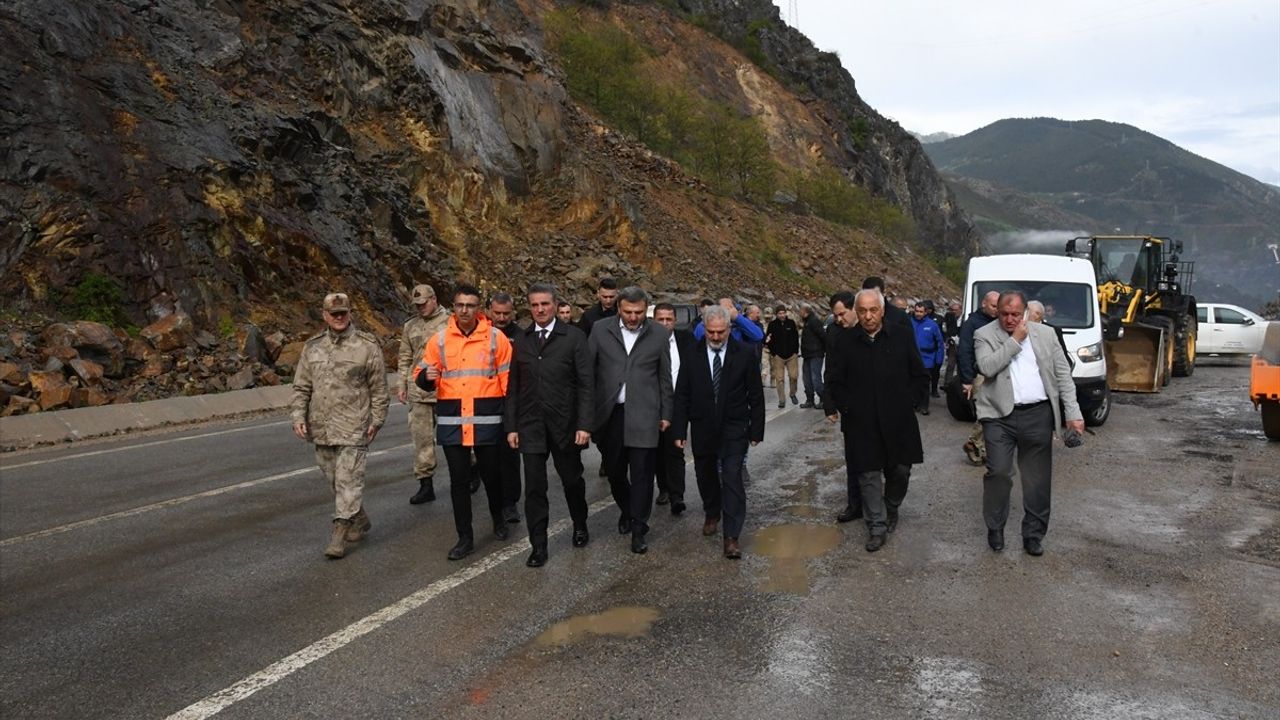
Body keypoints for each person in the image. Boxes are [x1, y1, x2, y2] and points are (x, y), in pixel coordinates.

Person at [974, 291, 1083, 556]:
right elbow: (987, 367)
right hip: (999, 416)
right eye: (1004, 314)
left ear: (1024, 313)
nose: (1010, 319)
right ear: (997, 312)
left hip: (1038, 414)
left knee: (1037, 478)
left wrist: (1073, 412)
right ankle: (995, 527)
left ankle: (1033, 534)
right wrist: (1015, 340)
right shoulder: (984, 334)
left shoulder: (1045, 335)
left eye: (1015, 315)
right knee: (999, 472)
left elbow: (1062, 375)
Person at [414, 284, 513, 561]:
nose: (465, 310)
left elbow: (508, 382)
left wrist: (510, 421)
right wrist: (426, 377)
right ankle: (465, 537)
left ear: (478, 308)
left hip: (488, 420)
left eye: (470, 305)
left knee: (492, 477)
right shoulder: (440, 340)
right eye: (460, 305)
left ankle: (498, 519)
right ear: (454, 307)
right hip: (452, 421)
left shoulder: (496, 339)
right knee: (459, 481)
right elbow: (421, 374)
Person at [823, 289, 926, 552]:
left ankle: (890, 506)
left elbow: (917, 372)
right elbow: (835, 379)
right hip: (862, 421)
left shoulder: (901, 335)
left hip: (898, 418)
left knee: (900, 469)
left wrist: (909, 401)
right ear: (856, 312)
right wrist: (848, 407)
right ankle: (876, 526)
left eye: (873, 310)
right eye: (862, 311)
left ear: (882, 310)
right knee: (867, 473)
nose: (868, 316)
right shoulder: (845, 341)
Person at [291, 292, 389, 559]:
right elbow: (302, 386)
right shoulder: (312, 347)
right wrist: (298, 416)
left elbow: (379, 388)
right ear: (324, 316)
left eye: (343, 313)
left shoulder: (366, 346)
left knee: (349, 479)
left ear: (350, 313)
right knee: (333, 477)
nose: (339, 318)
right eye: (333, 314)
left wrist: (377, 419)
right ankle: (359, 517)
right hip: (321, 426)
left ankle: (339, 532)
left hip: (353, 426)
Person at [505, 283, 593, 567]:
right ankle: (538, 545)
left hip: (565, 425)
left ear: (555, 304)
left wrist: (584, 424)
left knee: (571, 481)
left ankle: (580, 524)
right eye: (534, 305)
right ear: (529, 307)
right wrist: (512, 426)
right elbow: (514, 387)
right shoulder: (522, 340)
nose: (540, 310)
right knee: (534, 488)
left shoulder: (574, 338)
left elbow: (586, 385)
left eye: (545, 304)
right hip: (531, 426)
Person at [672, 306, 765, 559]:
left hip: (734, 426)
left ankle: (732, 536)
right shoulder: (692, 354)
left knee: (732, 477)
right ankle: (712, 511)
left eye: (720, 332)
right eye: (710, 332)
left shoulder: (744, 353)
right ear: (704, 328)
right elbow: (682, 394)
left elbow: (755, 394)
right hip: (702, 425)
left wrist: (757, 429)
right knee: (705, 474)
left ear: (729, 329)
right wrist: (679, 429)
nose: (714, 337)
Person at [588, 286, 673, 554]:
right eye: (628, 312)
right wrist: (587, 415)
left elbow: (664, 377)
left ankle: (639, 527)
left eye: (638, 312)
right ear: (618, 309)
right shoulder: (601, 330)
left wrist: (666, 414)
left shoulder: (658, 333)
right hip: (611, 414)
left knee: (643, 474)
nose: (633, 317)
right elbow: (589, 373)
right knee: (614, 471)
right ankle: (627, 508)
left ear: (645, 310)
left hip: (645, 414)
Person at [398, 284, 449, 505]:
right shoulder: (410, 326)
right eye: (417, 305)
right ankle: (425, 484)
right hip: (419, 390)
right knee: (421, 440)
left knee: (458, 438)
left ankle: (472, 471)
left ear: (434, 299)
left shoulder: (451, 322)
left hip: (447, 389)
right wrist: (402, 384)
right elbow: (404, 357)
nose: (420, 308)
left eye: (424, 303)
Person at [652, 303, 694, 515]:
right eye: (661, 319)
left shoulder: (686, 340)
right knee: (658, 449)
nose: (665, 323)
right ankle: (664, 488)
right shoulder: (647, 341)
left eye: (669, 319)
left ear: (675, 321)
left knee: (676, 448)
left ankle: (678, 495)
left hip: (679, 403)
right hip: (654, 404)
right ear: (654, 320)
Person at [487, 292, 522, 524]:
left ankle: (510, 504)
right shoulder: (482, 335)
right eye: (497, 313)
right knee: (488, 460)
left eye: (506, 314)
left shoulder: (521, 337)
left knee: (509, 457)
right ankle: (495, 503)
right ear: (489, 311)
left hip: (512, 404)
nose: (501, 317)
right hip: (486, 403)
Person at [958, 291, 1001, 465]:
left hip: (997, 372)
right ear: (984, 303)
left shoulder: (999, 322)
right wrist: (967, 380)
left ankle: (979, 445)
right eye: (993, 306)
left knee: (996, 411)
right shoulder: (972, 324)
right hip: (980, 375)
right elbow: (965, 352)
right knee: (987, 411)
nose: (997, 309)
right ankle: (974, 442)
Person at [911, 301, 946, 414]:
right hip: (912, 357)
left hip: (927, 359)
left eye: (921, 312)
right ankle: (915, 403)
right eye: (917, 311)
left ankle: (924, 406)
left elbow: (940, 343)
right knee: (913, 382)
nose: (918, 314)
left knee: (924, 383)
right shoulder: (909, 322)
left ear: (925, 312)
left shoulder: (932, 325)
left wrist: (939, 359)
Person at [765, 304, 801, 408]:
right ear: (776, 314)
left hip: (791, 355)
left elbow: (796, 338)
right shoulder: (772, 325)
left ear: (786, 313)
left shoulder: (791, 323)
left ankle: (792, 393)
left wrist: (795, 351)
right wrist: (773, 353)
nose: (782, 315)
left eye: (783, 313)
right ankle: (782, 400)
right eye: (780, 313)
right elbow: (769, 339)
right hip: (778, 356)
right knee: (779, 379)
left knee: (794, 376)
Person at [798, 303, 826, 408]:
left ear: (805, 312)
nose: (799, 313)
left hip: (816, 354)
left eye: (800, 311)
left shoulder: (814, 321)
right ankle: (810, 399)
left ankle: (823, 399)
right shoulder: (807, 322)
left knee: (815, 378)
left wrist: (824, 350)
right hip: (807, 355)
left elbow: (823, 336)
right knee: (807, 379)